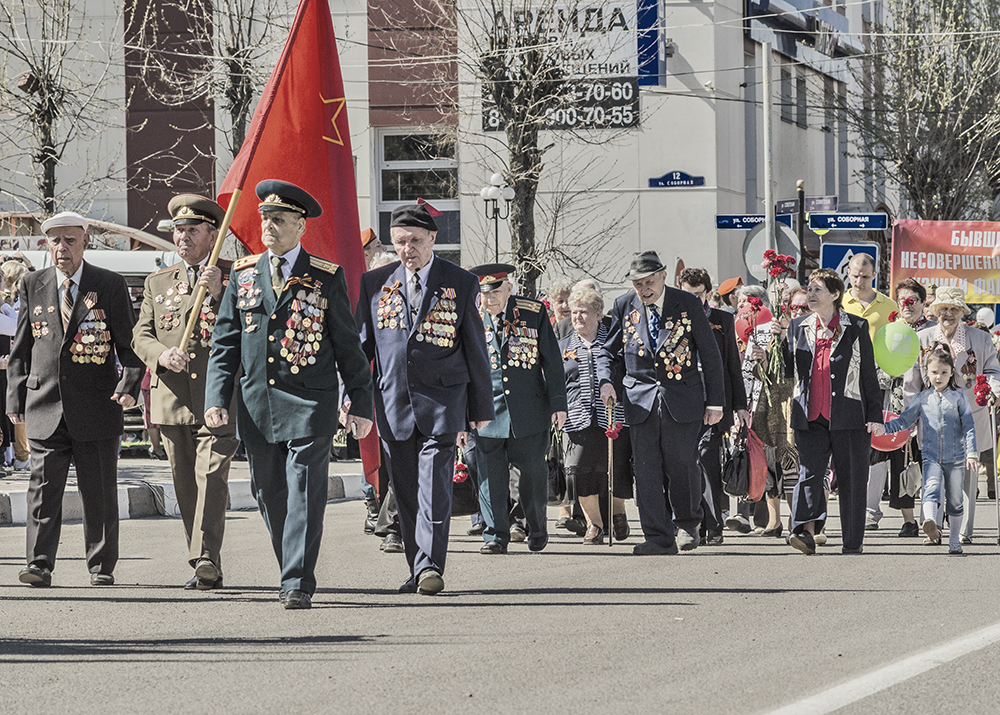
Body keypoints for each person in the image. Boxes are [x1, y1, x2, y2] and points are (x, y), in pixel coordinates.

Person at [204, 180, 374, 610]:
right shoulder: (242, 275)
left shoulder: (325, 275)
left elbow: (348, 346)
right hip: (257, 403)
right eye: (265, 218)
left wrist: (361, 403)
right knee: (269, 493)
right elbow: (225, 342)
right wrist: (215, 399)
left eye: (279, 220)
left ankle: (296, 579)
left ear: (301, 226)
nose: (269, 226)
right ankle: (291, 565)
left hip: (310, 403)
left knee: (303, 490)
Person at [355, 202, 493, 594]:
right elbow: (361, 347)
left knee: (434, 485)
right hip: (393, 402)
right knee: (405, 490)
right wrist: (353, 397)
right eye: (400, 241)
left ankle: (431, 565)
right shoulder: (375, 284)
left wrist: (480, 407)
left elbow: (474, 348)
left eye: (415, 240)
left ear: (433, 238)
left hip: (443, 403)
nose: (407, 248)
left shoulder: (460, 282)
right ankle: (418, 567)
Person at [8, 211, 144, 587]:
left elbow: (128, 347)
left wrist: (129, 387)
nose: (62, 248)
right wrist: (15, 397)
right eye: (55, 240)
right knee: (42, 492)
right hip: (44, 403)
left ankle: (101, 566)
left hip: (98, 405)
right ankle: (39, 564)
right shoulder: (33, 283)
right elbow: (22, 346)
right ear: (46, 245)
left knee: (98, 492)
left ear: (85, 241)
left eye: (70, 240)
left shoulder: (109, 284)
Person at [132, 194, 240, 590]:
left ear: (213, 235)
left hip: (218, 398)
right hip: (172, 397)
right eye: (178, 230)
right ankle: (202, 560)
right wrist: (161, 356)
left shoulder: (234, 277)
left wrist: (218, 294)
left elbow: (250, 328)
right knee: (185, 484)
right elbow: (140, 334)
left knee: (212, 476)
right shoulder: (158, 282)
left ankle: (207, 557)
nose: (183, 237)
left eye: (192, 230)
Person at [598, 251, 725, 555]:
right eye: (638, 284)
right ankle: (658, 536)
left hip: (682, 398)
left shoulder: (688, 303)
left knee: (682, 463)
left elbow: (709, 355)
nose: (644, 289)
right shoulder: (624, 305)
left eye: (649, 282)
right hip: (639, 401)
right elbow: (609, 352)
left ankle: (687, 522)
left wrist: (716, 402)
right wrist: (605, 381)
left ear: (664, 275)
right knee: (646, 471)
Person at [780, 268, 882, 555]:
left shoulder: (856, 327)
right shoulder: (797, 325)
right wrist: (773, 348)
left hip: (849, 415)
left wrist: (874, 415)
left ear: (835, 294)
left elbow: (867, 376)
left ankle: (852, 541)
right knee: (809, 474)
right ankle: (803, 532)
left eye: (817, 290)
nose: (810, 295)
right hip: (809, 415)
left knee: (851, 479)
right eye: (809, 289)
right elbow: (788, 371)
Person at [468, 263, 566, 554]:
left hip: (529, 410)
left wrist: (558, 404)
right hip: (487, 412)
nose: (490, 299)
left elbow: (552, 360)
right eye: (484, 293)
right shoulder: (472, 317)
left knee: (533, 477)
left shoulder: (532, 313)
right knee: (490, 479)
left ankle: (536, 527)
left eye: (496, 291)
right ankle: (495, 535)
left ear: (509, 288)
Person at [903, 286, 1000, 545]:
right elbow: (912, 382)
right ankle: (933, 527)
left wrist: (991, 390)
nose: (948, 313)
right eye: (943, 308)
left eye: (954, 309)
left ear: (961, 312)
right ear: (935, 312)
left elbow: (993, 369)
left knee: (966, 475)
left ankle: (963, 531)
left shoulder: (979, 339)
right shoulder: (922, 338)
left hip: (970, 415)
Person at [882, 349, 978, 555]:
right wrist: (883, 428)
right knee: (931, 489)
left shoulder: (959, 399)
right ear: (927, 372)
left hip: (957, 457)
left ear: (952, 372)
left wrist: (972, 453)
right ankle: (930, 522)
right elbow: (903, 422)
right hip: (930, 455)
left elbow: (969, 427)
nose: (939, 377)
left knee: (955, 500)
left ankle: (954, 539)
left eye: (944, 372)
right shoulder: (922, 398)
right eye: (934, 372)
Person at [678, 267, 749, 545]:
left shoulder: (721, 319)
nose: (694, 300)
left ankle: (714, 524)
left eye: (698, 295)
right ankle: (691, 521)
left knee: (707, 459)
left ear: (708, 293)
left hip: (716, 402)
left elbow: (732, 364)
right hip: (682, 402)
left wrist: (740, 405)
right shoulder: (675, 319)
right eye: (687, 295)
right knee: (685, 463)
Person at [559, 285, 628, 544]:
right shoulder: (565, 344)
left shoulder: (613, 341)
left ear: (599, 314)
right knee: (579, 469)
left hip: (611, 414)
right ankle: (594, 524)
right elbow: (558, 380)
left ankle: (618, 514)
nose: (577, 317)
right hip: (577, 416)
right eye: (574, 312)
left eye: (584, 312)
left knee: (614, 467)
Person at [875, 279, 934, 538]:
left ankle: (932, 516)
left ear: (922, 303)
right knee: (902, 461)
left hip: (931, 405)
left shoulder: (934, 331)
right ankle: (909, 519)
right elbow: (877, 372)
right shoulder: (890, 333)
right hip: (900, 407)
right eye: (903, 301)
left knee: (932, 461)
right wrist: (891, 373)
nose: (907, 306)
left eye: (913, 300)